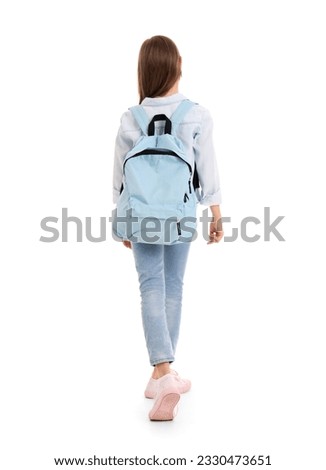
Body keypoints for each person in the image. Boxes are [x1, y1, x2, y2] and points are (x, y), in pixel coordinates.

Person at [113, 35, 223, 421]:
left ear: (144, 70)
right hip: (181, 213)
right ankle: (164, 372)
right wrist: (216, 211)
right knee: (173, 286)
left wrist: (120, 217)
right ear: (177, 65)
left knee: (151, 286)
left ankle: (161, 371)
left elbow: (119, 176)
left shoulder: (131, 117)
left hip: (139, 214)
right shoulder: (196, 114)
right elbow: (206, 167)